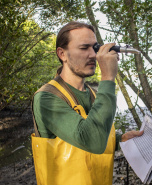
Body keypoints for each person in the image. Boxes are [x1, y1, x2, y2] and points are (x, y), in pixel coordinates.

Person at [31, 21, 143, 185]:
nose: (93, 55)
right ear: (62, 54)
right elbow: (92, 141)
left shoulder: (93, 94)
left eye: (95, 48)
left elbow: (86, 134)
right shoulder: (47, 98)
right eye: (84, 48)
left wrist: (120, 140)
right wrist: (108, 78)